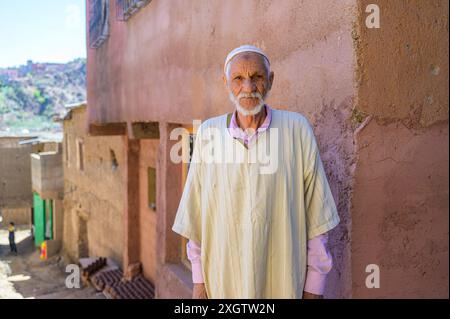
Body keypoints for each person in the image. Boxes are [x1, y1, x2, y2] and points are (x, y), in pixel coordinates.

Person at [172, 45, 340, 299]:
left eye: (257, 77)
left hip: (281, 282)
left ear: (270, 81)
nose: (248, 87)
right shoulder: (208, 134)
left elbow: (317, 220)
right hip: (222, 284)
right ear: (226, 83)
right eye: (238, 78)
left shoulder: (297, 130)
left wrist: (313, 290)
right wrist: (199, 283)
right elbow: (197, 217)